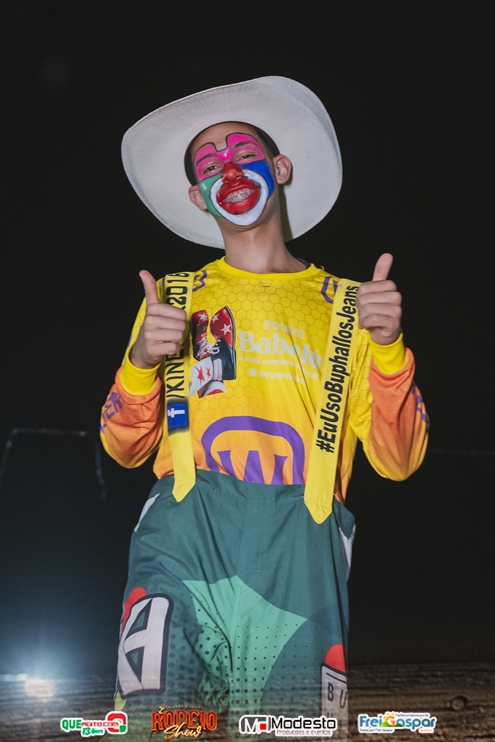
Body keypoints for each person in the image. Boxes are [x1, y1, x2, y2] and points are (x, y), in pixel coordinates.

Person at [100, 77, 428, 741]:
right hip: (182, 539)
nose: (228, 169)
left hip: (301, 553)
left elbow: (398, 461)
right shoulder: (173, 298)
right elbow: (123, 447)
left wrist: (390, 350)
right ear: (198, 196)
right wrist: (139, 362)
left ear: (279, 168)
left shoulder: (350, 307)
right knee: (158, 728)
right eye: (209, 164)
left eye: (243, 153)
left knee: (289, 733)